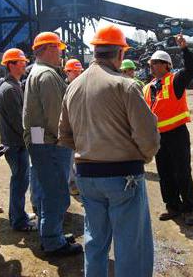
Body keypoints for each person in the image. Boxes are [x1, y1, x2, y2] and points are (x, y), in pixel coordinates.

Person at [58, 24, 160, 277]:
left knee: (95, 242)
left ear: (95, 52)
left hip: (87, 176)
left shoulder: (73, 86)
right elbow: (147, 136)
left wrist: (88, 150)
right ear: (120, 54)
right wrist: (143, 156)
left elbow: (64, 135)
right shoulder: (124, 86)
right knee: (131, 246)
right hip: (123, 176)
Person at [23, 32, 83, 256]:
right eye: (57, 48)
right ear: (48, 49)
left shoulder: (36, 72)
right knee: (57, 194)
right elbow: (55, 116)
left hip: (41, 141)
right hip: (52, 144)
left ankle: (50, 233)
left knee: (47, 190)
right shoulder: (47, 76)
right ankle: (53, 241)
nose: (61, 52)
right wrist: (67, 140)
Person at [143, 34, 193, 225]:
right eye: (151, 63)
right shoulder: (147, 87)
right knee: (165, 173)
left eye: (156, 63)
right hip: (159, 137)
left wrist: (185, 49)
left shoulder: (175, 80)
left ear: (166, 65)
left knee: (182, 171)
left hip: (177, 134)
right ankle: (173, 207)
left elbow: (191, 68)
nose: (152, 66)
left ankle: (189, 209)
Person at [0, 48, 37, 232]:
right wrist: (36, 138)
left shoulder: (14, 86)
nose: (25, 64)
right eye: (21, 62)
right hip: (16, 144)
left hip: (16, 143)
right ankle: (19, 221)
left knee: (20, 181)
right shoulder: (10, 89)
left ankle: (17, 214)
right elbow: (19, 122)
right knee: (20, 182)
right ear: (11, 65)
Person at [63, 58, 84, 196]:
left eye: (79, 72)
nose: (77, 74)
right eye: (74, 72)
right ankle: (71, 185)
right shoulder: (63, 88)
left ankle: (76, 182)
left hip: (80, 129)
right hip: (69, 130)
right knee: (69, 159)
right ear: (67, 73)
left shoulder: (82, 86)